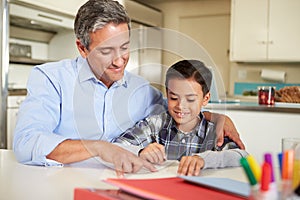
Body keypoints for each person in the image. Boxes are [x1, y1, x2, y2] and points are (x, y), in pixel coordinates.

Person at [13, 0, 244, 177]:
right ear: (82, 48)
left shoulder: (140, 89)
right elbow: (26, 142)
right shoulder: (51, 78)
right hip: (59, 184)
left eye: (124, 47)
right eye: (106, 51)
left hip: (120, 183)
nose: (119, 60)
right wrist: (98, 148)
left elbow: (177, 109)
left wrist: (217, 117)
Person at [114, 60, 248, 176]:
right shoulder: (156, 125)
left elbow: (242, 156)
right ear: (167, 93)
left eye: (190, 99)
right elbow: (116, 146)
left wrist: (204, 160)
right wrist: (140, 152)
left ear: (205, 99)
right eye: (173, 98)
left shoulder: (214, 132)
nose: (180, 106)